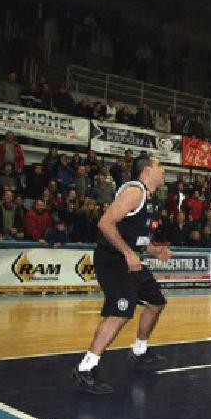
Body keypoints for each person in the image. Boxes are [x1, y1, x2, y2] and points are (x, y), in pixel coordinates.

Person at [72, 155, 173, 394]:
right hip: (113, 261)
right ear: (147, 171)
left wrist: (154, 250)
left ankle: (139, 351)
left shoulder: (150, 198)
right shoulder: (134, 192)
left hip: (130, 260)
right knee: (120, 312)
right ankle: (86, 368)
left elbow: (134, 239)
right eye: (160, 165)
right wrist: (128, 252)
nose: (164, 169)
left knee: (156, 302)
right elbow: (105, 223)